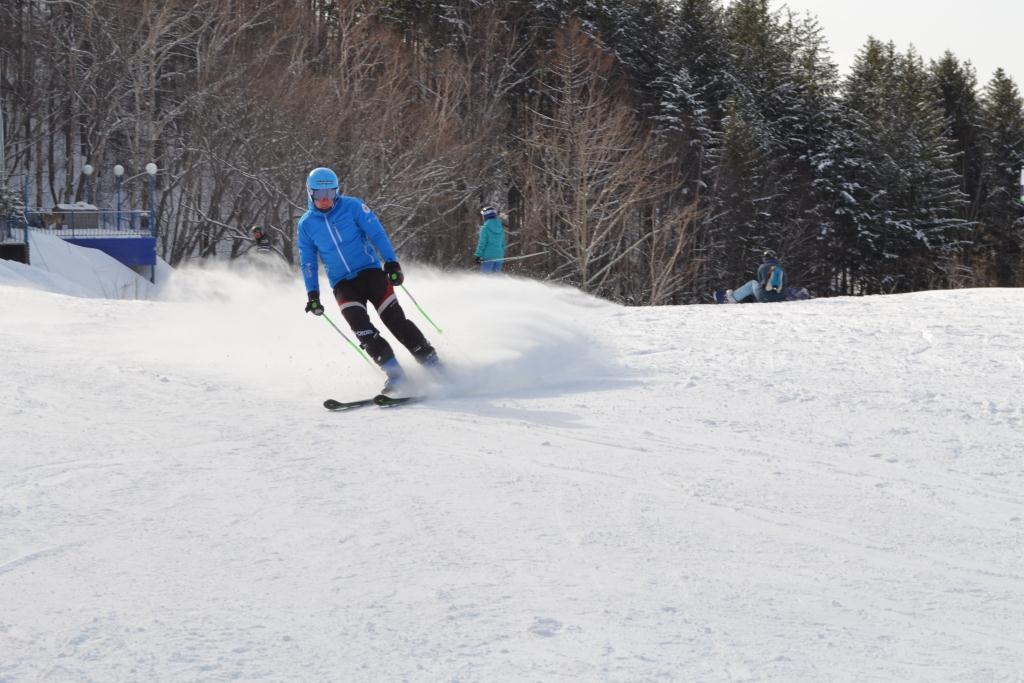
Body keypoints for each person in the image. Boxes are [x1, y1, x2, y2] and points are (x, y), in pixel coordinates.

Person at [298, 167, 441, 395]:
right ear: (309, 193)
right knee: (361, 329)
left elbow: (377, 233)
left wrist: (392, 263)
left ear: (337, 192)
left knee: (394, 320)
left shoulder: (353, 207)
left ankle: (433, 363)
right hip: (343, 284)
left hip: (371, 273)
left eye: (330, 193)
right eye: (319, 195)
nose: (325, 200)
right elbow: (308, 262)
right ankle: (395, 375)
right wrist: (312, 294)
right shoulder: (306, 225)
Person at [473, 205, 506, 273]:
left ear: (485, 216)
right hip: (499, 256)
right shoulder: (500, 228)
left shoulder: (485, 228)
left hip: (488, 257)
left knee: (486, 278)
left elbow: (482, 243)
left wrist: (478, 255)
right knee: (495, 278)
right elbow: (503, 244)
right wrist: (501, 255)